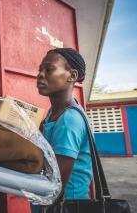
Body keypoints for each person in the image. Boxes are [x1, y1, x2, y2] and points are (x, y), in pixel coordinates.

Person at [31, 48, 93, 213]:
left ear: (72, 76)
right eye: (40, 70)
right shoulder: (54, 112)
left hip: (65, 205)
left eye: (49, 69)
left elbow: (55, 184)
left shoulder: (69, 120)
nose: (40, 75)